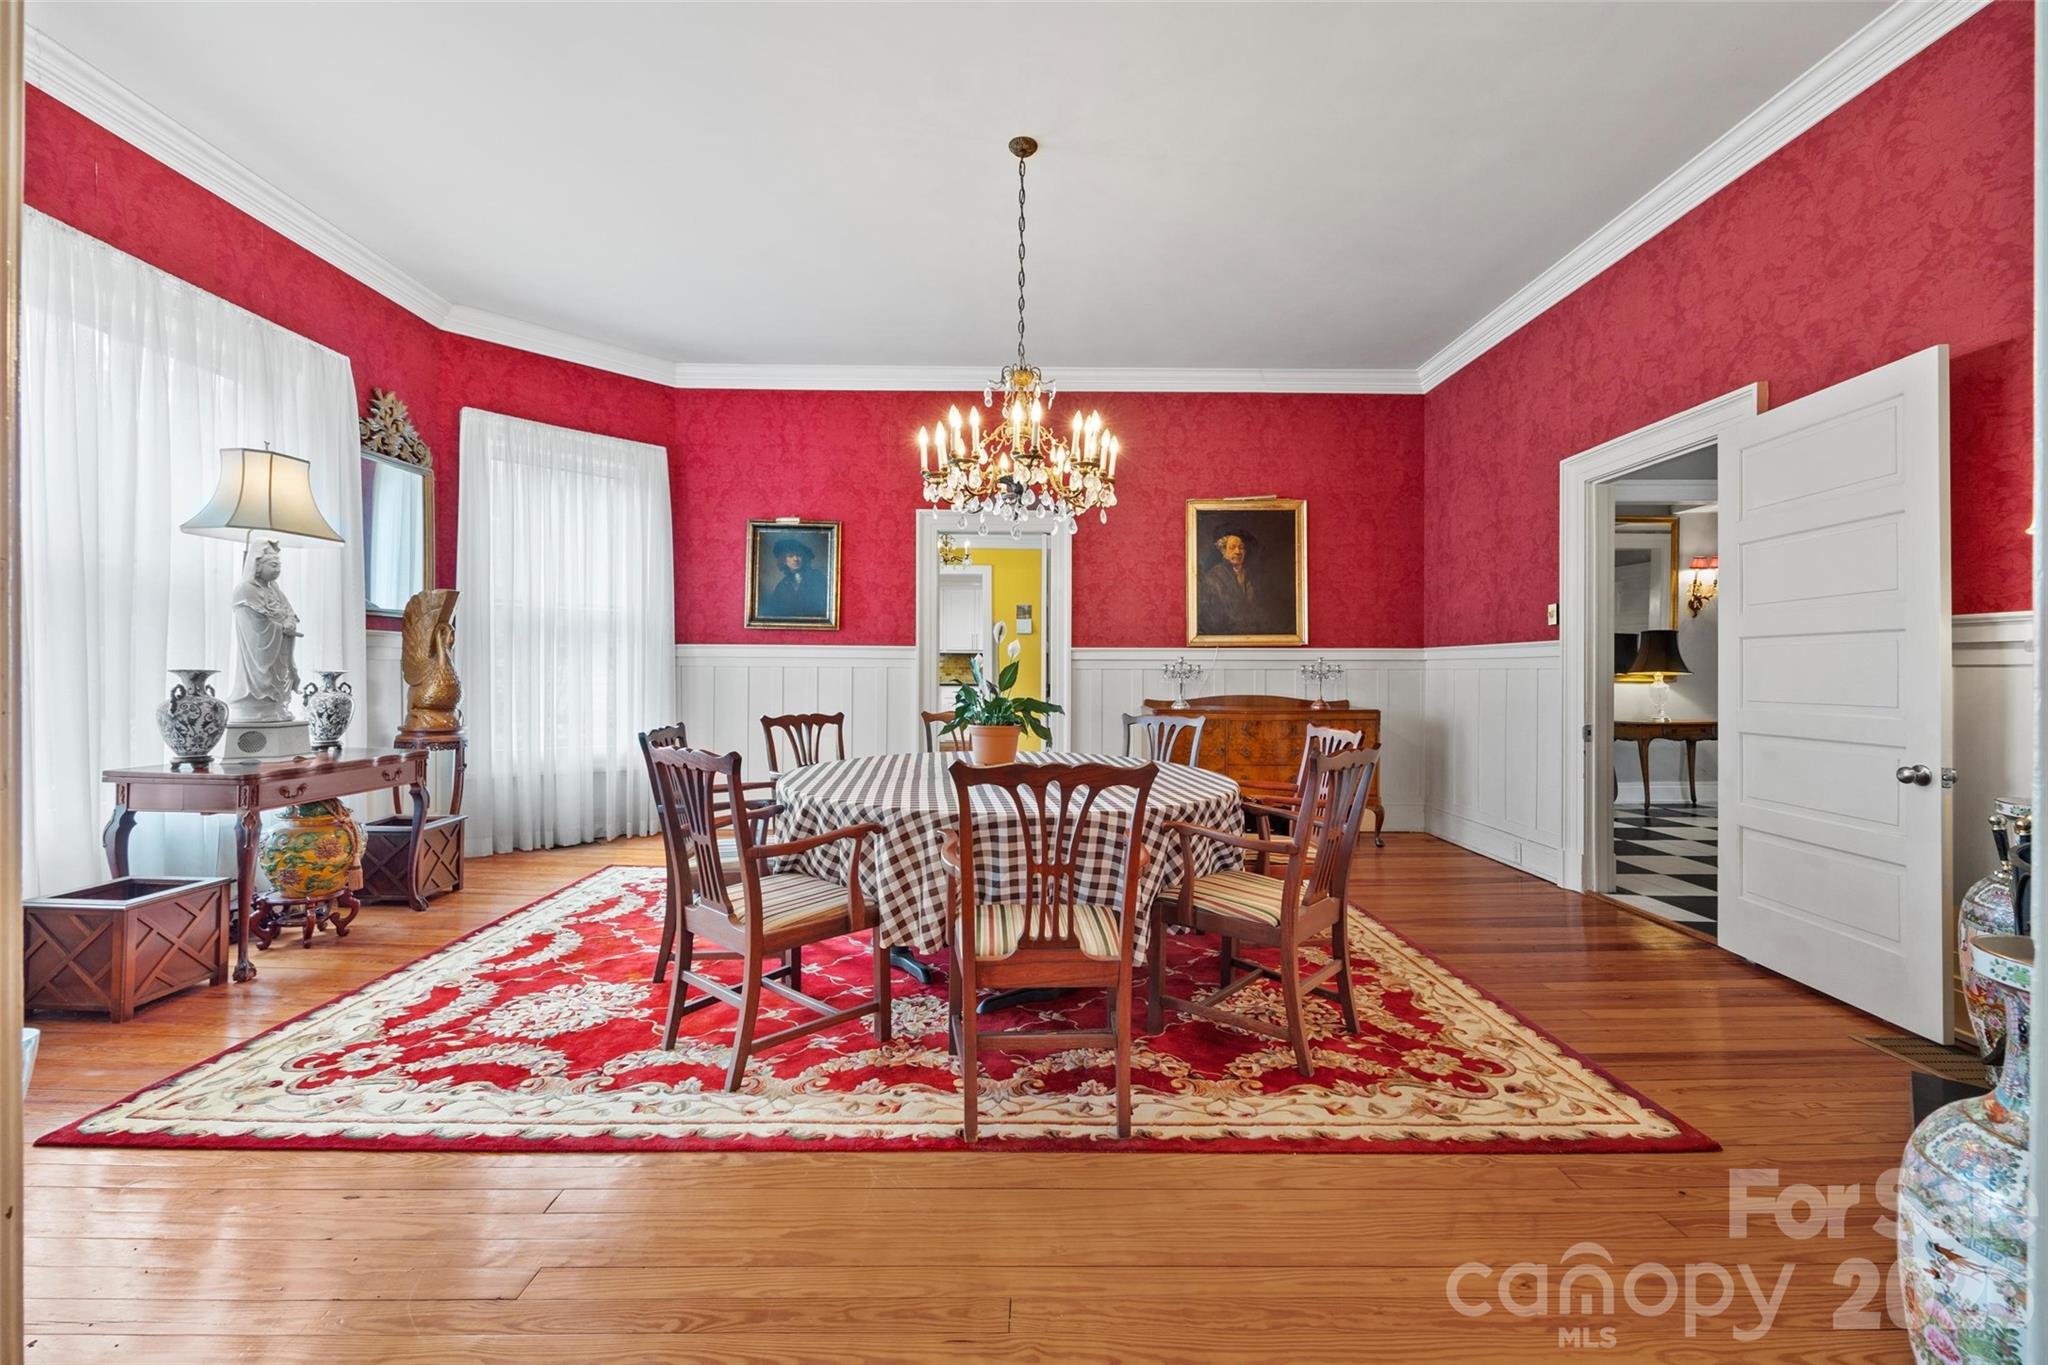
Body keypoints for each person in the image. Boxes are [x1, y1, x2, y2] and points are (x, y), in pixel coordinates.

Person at [228, 538, 302, 721]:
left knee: (282, 675)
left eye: (279, 566)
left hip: (281, 647)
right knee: (262, 675)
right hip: (261, 648)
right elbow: (254, 623)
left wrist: (290, 621)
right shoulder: (245, 589)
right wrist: (280, 627)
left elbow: (288, 610)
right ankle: (259, 707)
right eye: (273, 565)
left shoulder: (274, 589)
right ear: (258, 565)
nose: (277, 570)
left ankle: (279, 705)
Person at [1198, 523, 1285, 636]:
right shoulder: (1214, 577)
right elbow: (1214, 618)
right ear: (1223, 551)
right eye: (1232, 547)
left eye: (1241, 547)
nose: (1238, 552)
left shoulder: (1250, 576)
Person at [761, 536, 828, 620]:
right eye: (790, 556)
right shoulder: (782, 586)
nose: (795, 559)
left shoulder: (818, 577)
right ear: (784, 561)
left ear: (804, 558)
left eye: (799, 555)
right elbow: (776, 613)